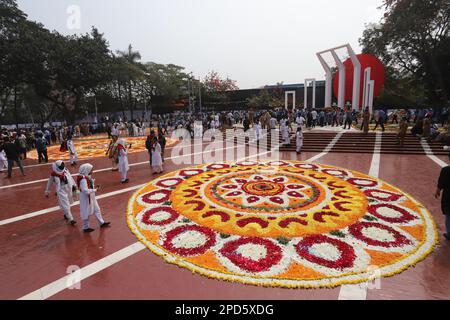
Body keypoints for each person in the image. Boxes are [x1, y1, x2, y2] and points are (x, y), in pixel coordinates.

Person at [77, 164, 110, 233]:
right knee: (86, 212)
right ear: (87, 170)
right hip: (86, 198)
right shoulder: (83, 179)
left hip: (91, 196)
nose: (92, 171)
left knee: (97, 209)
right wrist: (95, 190)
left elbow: (89, 186)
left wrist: (94, 186)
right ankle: (85, 227)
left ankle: (102, 223)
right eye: (91, 169)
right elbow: (85, 190)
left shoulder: (87, 177)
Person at [45, 160, 77, 225]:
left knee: (69, 202)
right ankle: (71, 219)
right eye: (61, 166)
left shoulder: (65, 170)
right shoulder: (53, 174)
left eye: (63, 165)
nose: (63, 167)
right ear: (57, 166)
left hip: (69, 189)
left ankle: (66, 214)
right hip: (61, 191)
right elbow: (49, 183)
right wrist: (47, 191)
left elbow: (71, 178)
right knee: (66, 205)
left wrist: (74, 186)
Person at [435, 154, 450, 240]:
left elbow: (441, 183)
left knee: (448, 214)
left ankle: (449, 233)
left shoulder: (446, 170)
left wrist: (437, 191)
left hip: (448, 196)